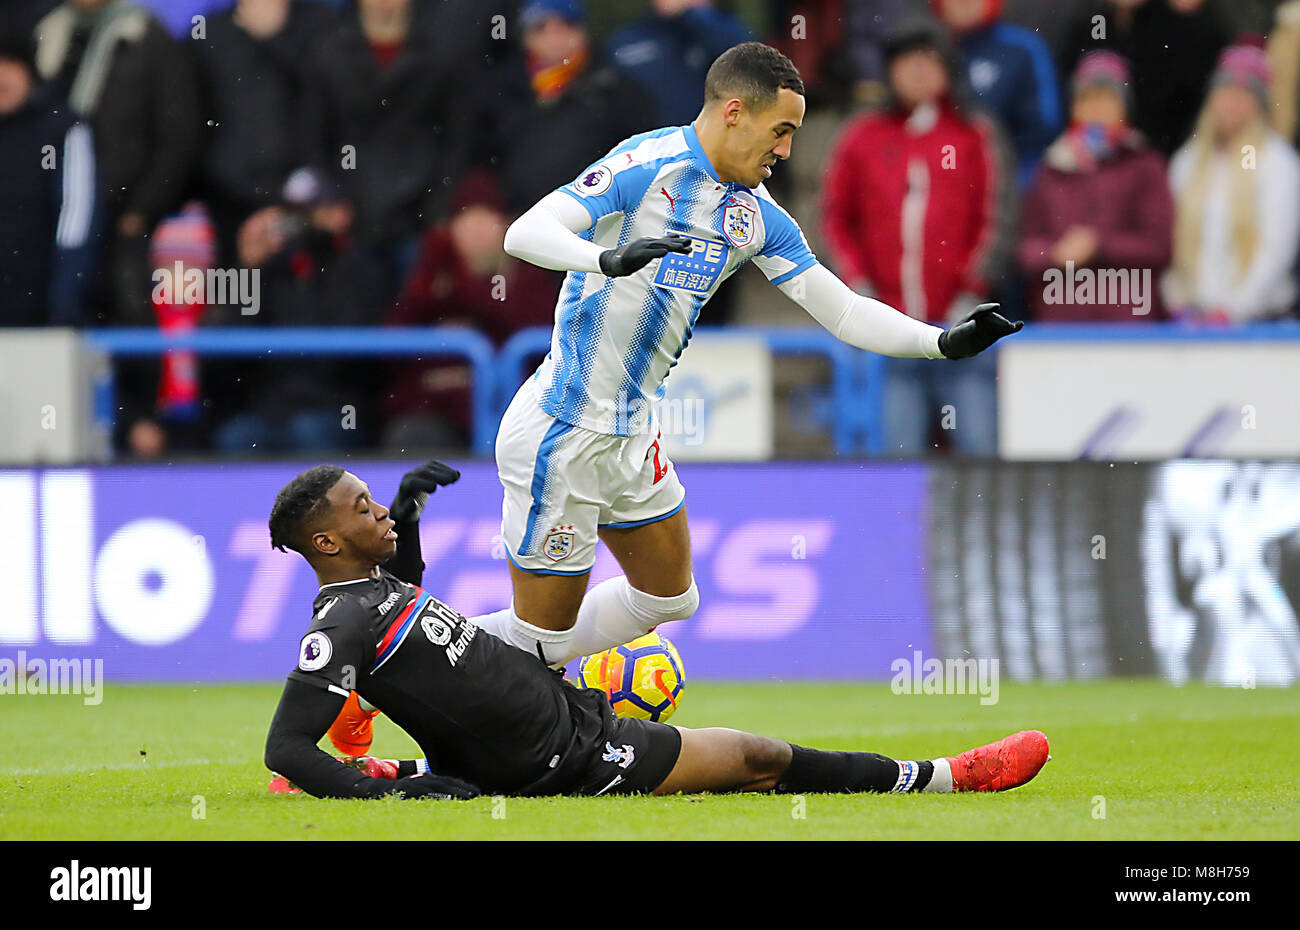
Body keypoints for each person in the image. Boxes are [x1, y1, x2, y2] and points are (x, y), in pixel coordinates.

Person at [475, 41, 1020, 671]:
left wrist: (940, 341)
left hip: (631, 434)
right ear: (734, 111)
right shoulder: (646, 163)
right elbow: (525, 234)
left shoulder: (754, 215)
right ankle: (414, 659)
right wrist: (605, 257)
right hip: (564, 430)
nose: (785, 151)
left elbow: (840, 309)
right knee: (541, 646)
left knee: (669, 598)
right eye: (781, 131)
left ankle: (450, 658)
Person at [263, 460, 1051, 799]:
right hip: (567, 762)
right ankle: (946, 775)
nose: (375, 512)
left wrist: (405, 517)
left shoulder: (375, 593)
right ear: (325, 542)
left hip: (566, 714)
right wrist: (377, 799)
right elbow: (286, 745)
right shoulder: (337, 625)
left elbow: (407, 607)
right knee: (757, 758)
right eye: (360, 508)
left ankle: (393, 765)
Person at [821, 19, 1016, 457]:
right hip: (892, 335)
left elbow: (999, 216)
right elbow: (834, 218)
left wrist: (974, 288)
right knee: (898, 458)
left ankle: (978, 527)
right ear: (889, 71)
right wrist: (857, 285)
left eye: (929, 60)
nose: (918, 71)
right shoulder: (862, 138)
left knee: (978, 454)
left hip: (964, 328)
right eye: (906, 61)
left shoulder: (974, 135)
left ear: (948, 69)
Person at [33, 0, 202, 324]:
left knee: (127, 312)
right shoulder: (47, 34)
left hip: (122, 212)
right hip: (52, 213)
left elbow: (179, 133)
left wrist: (143, 209)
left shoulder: (148, 36)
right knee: (56, 312)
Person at [380, 171, 561, 451]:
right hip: (436, 416)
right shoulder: (432, 276)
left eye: (486, 218)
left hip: (516, 411)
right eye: (466, 219)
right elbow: (394, 343)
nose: (476, 230)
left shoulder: (529, 276)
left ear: (507, 225)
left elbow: (542, 345)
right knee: (410, 436)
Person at [1018, 51, 1173, 322]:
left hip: (1130, 324)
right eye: (1088, 99)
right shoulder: (1051, 168)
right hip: (1061, 323)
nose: (1097, 109)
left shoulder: (1145, 165)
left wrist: (1099, 245)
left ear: (1124, 108)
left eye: (1107, 99)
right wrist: (1056, 253)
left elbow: (1159, 246)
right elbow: (1025, 249)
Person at [1163, 42, 1300, 323]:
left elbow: (1276, 249)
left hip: (1260, 322)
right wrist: (1177, 301)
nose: (1232, 103)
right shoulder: (1187, 162)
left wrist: (1234, 309)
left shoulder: (1277, 162)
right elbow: (1170, 243)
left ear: (1258, 104)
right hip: (1196, 322)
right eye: (1225, 91)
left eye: (1245, 94)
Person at [485, 0, 655, 215]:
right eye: (541, 27)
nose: (554, 37)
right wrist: (483, 204)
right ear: (526, 36)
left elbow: (639, 160)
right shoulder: (502, 90)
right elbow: (480, 155)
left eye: (566, 25)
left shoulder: (617, 89)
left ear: (583, 31)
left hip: (594, 217)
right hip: (517, 217)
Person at [0, 33, 97, 327]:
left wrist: (63, 300)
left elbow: (76, 219)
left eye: (10, 65)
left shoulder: (60, 128)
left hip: (40, 307)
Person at [932, 0, 1060, 189]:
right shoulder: (923, 51)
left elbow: (1043, 126)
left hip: (1005, 184)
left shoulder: (1023, 49)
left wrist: (1014, 188)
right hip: (936, 187)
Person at [605, 0, 752, 127]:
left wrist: (698, 13)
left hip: (711, 147)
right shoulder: (625, 42)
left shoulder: (719, 30)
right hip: (650, 149)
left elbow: (748, 66)